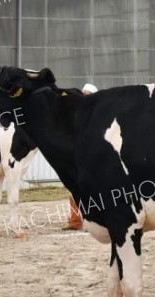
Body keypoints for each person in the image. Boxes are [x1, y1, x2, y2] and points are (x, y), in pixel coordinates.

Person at [62, 83, 98, 231]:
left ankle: (93, 219)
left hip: (90, 155)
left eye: (87, 94)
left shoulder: (96, 114)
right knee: (72, 187)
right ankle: (75, 220)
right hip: (76, 154)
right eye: (83, 94)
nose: (83, 96)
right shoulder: (75, 113)